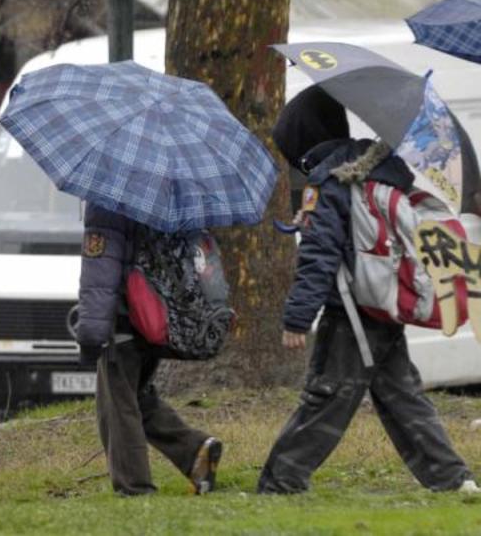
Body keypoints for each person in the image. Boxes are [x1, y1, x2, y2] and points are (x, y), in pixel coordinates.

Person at [258, 86, 476, 495]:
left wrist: (297, 318)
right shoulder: (377, 169)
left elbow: (319, 257)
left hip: (351, 312)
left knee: (327, 396)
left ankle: (281, 482)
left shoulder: (328, 182)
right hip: (382, 304)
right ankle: (452, 479)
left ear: (302, 140)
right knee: (403, 396)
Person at [74, 204, 222, 496]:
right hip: (158, 318)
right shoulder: (168, 195)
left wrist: (90, 335)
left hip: (124, 321)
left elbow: (99, 274)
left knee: (118, 406)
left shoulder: (108, 201)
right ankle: (195, 452)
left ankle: (134, 486)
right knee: (139, 397)